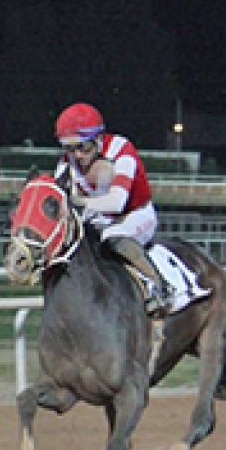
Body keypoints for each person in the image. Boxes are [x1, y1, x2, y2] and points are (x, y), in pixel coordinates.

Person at [52, 101, 172, 317]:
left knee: (112, 236)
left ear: (98, 139)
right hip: (99, 218)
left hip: (134, 214)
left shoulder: (122, 150)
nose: (77, 155)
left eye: (83, 147)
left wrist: (78, 204)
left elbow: (116, 202)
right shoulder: (66, 163)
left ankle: (158, 286)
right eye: (70, 148)